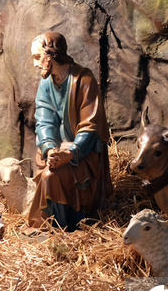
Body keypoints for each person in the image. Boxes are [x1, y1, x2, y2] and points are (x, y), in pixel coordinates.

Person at [26, 31, 113, 232]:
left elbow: (90, 126)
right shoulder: (46, 83)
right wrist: (50, 149)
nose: (35, 64)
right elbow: (43, 120)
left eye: (37, 57)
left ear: (51, 55)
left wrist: (71, 152)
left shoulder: (84, 80)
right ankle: (55, 225)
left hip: (84, 153)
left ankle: (68, 225)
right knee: (48, 169)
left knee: (50, 176)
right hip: (58, 151)